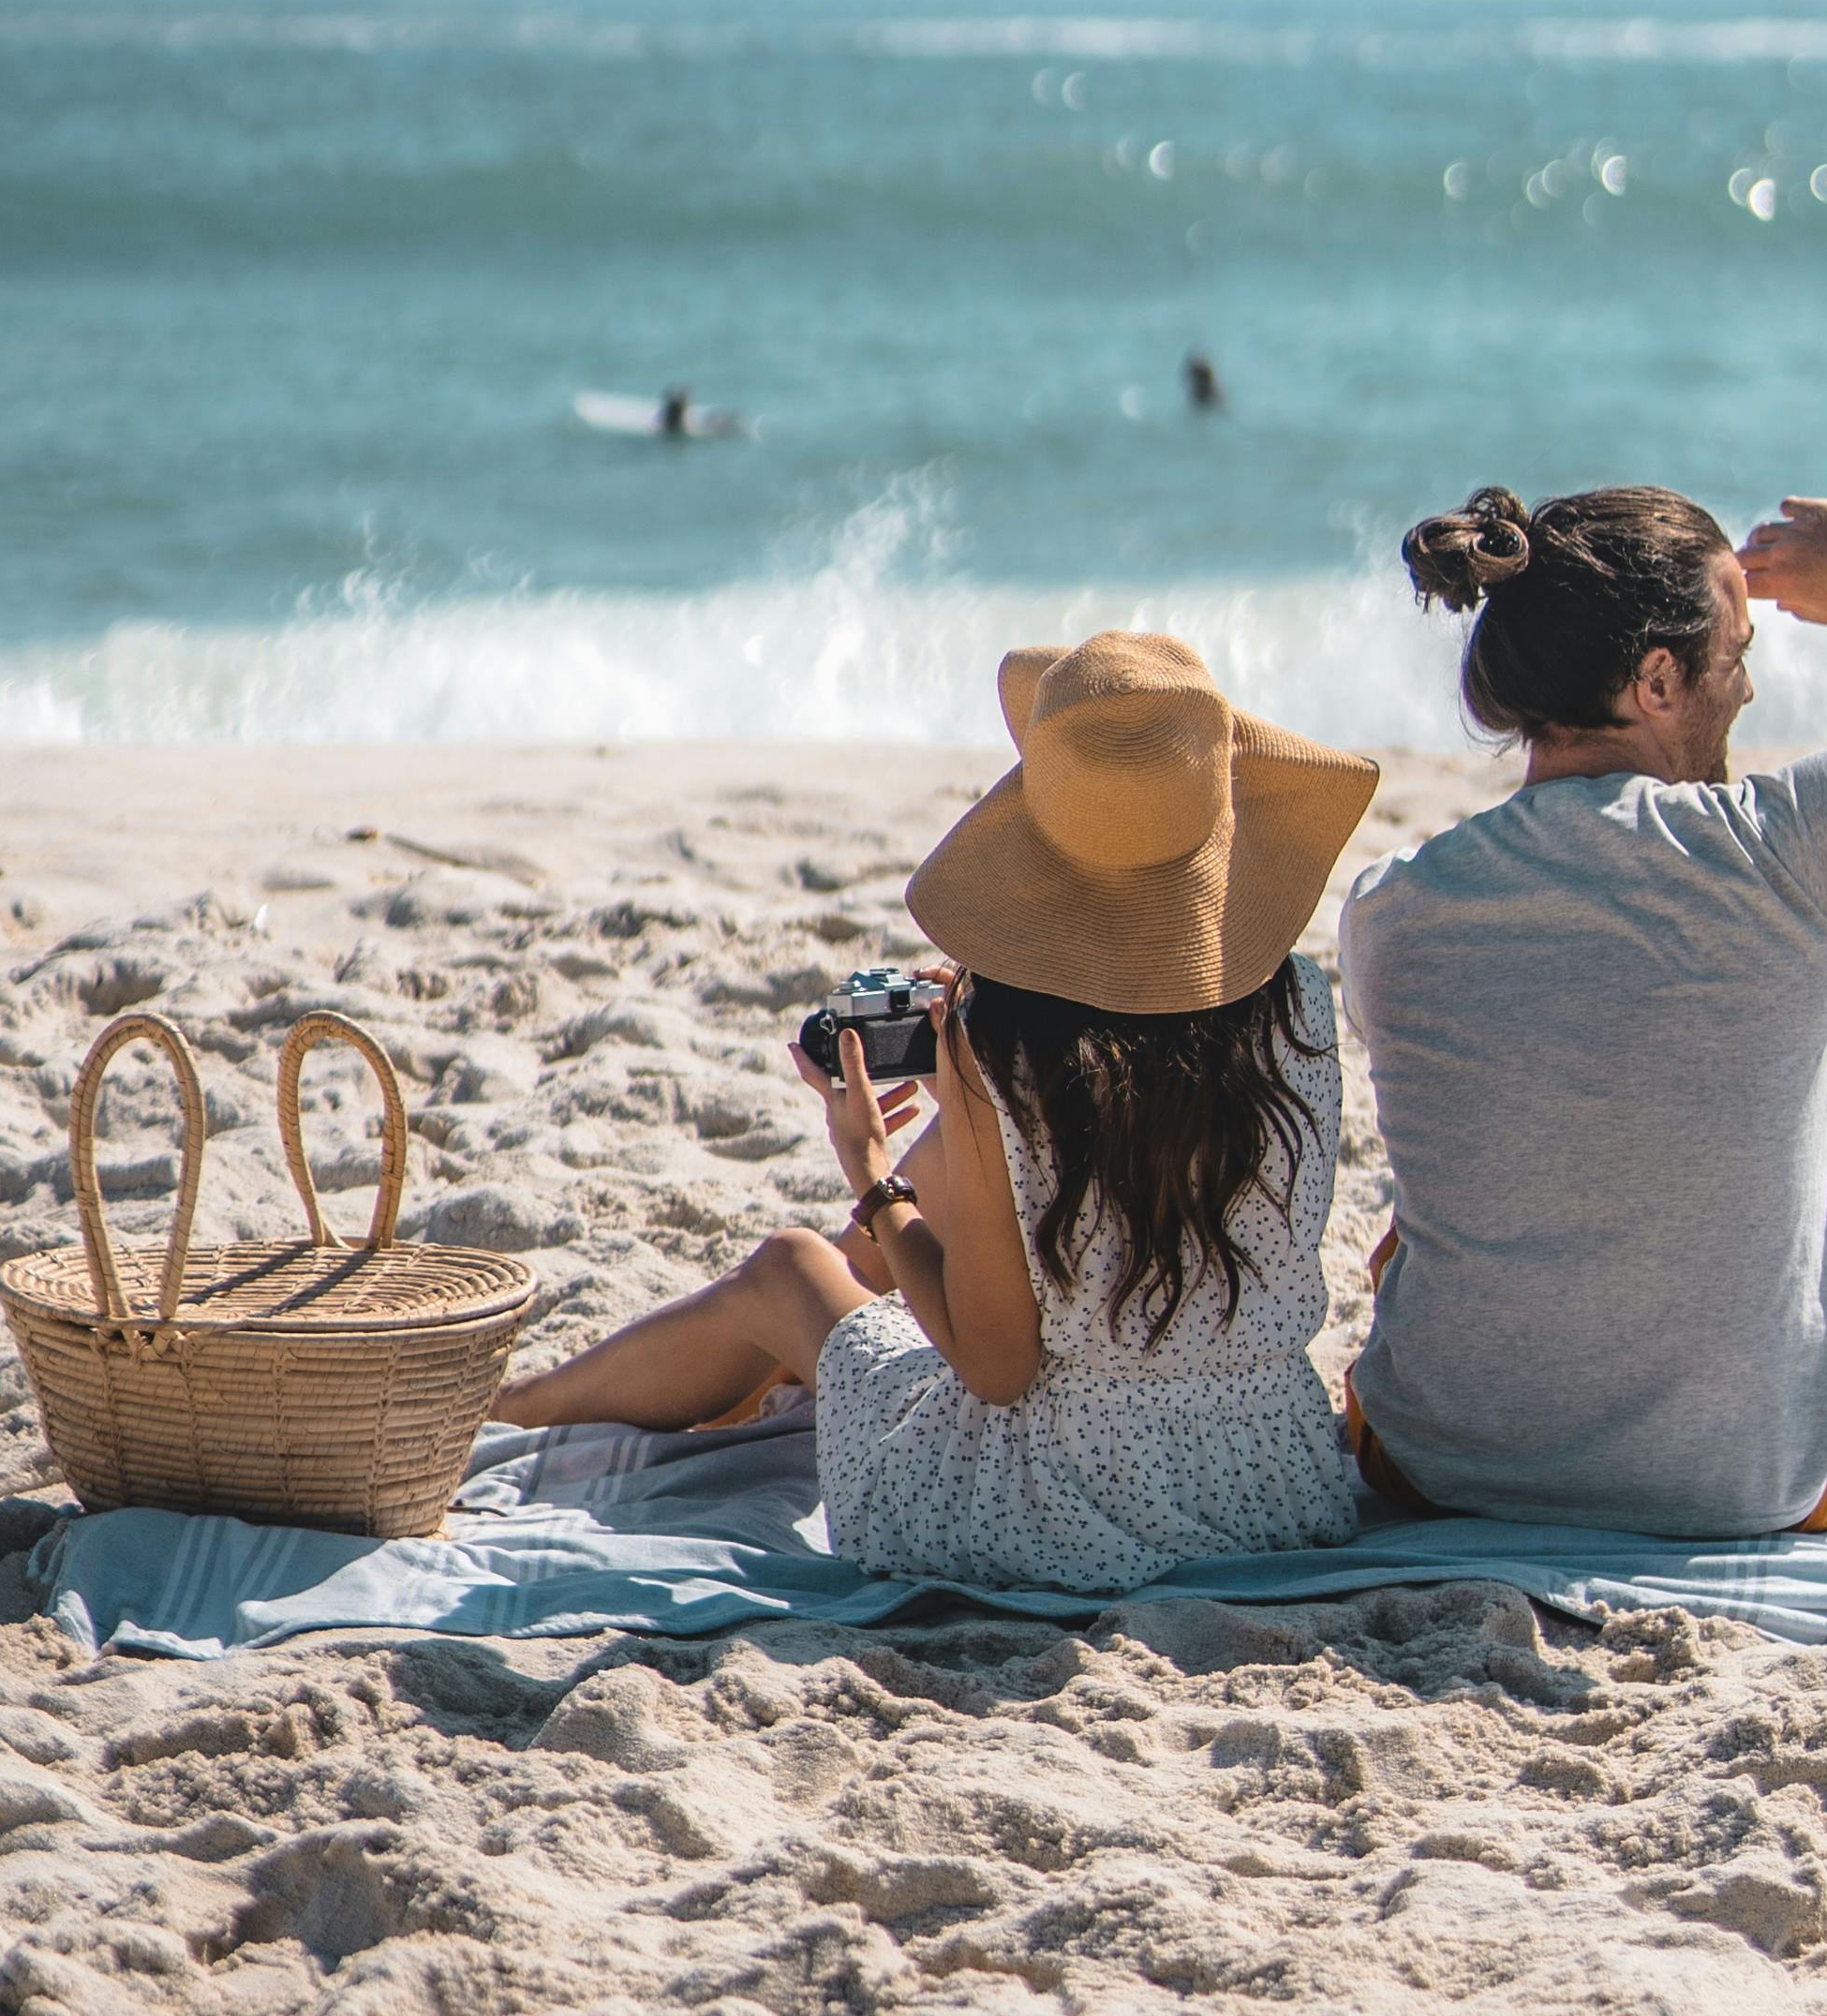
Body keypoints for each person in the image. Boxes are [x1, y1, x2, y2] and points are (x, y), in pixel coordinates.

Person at [499, 631, 1379, 1587]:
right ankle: (635, 1393)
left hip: (1065, 1510)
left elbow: (996, 1371)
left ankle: (516, 1411)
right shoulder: (1296, 998)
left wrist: (875, 1169)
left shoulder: (1007, 1044)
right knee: (920, 1214)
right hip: (1274, 1481)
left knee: (792, 1268)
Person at [1339, 483, 1827, 1537]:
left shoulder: (1391, 908)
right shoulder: (1785, 852)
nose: (1749, 688)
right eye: (1734, 651)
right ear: (1658, 679)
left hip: (1435, 1461)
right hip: (1755, 1478)